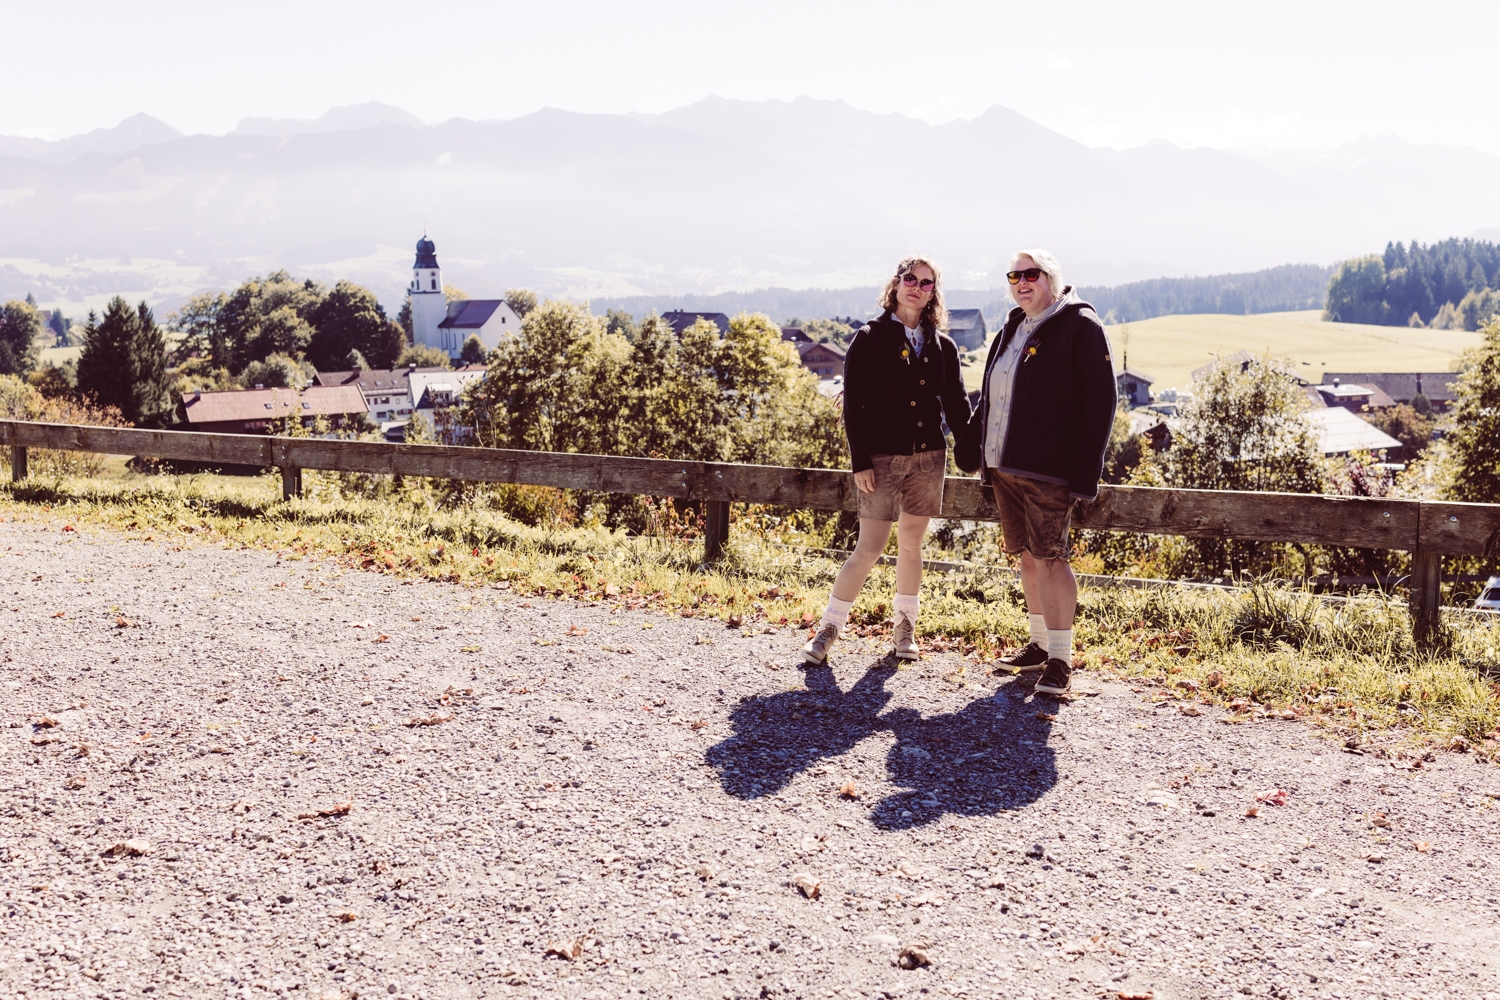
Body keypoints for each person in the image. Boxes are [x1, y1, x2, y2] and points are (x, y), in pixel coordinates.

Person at [955, 250, 1116, 696]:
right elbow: (993, 395)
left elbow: (1101, 402)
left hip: (1049, 470)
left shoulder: (1081, 325)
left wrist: (1085, 473)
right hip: (1005, 465)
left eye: (1031, 274)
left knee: (1050, 558)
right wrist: (971, 447)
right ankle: (1040, 646)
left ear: (1051, 278)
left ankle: (1061, 661)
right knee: (1027, 556)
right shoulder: (1012, 327)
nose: (1022, 282)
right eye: (1015, 276)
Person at [802, 257, 973, 665]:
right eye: (910, 278)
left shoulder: (943, 346)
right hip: (879, 460)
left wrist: (972, 450)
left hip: (928, 460)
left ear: (933, 293)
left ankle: (904, 629)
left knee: (911, 546)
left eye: (926, 283)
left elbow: (956, 405)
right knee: (869, 548)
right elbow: (854, 405)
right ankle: (828, 629)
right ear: (896, 284)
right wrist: (859, 460)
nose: (916, 286)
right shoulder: (869, 337)